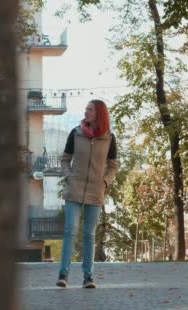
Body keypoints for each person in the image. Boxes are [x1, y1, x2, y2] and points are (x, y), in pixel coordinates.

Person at [56, 100, 118, 289]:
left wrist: (105, 181)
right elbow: (65, 159)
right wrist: (69, 176)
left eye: (89, 109)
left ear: (99, 113)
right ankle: (63, 275)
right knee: (70, 231)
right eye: (86, 109)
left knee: (89, 235)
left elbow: (113, 165)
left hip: (95, 191)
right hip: (74, 189)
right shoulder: (76, 133)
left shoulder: (109, 138)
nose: (86, 112)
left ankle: (88, 277)